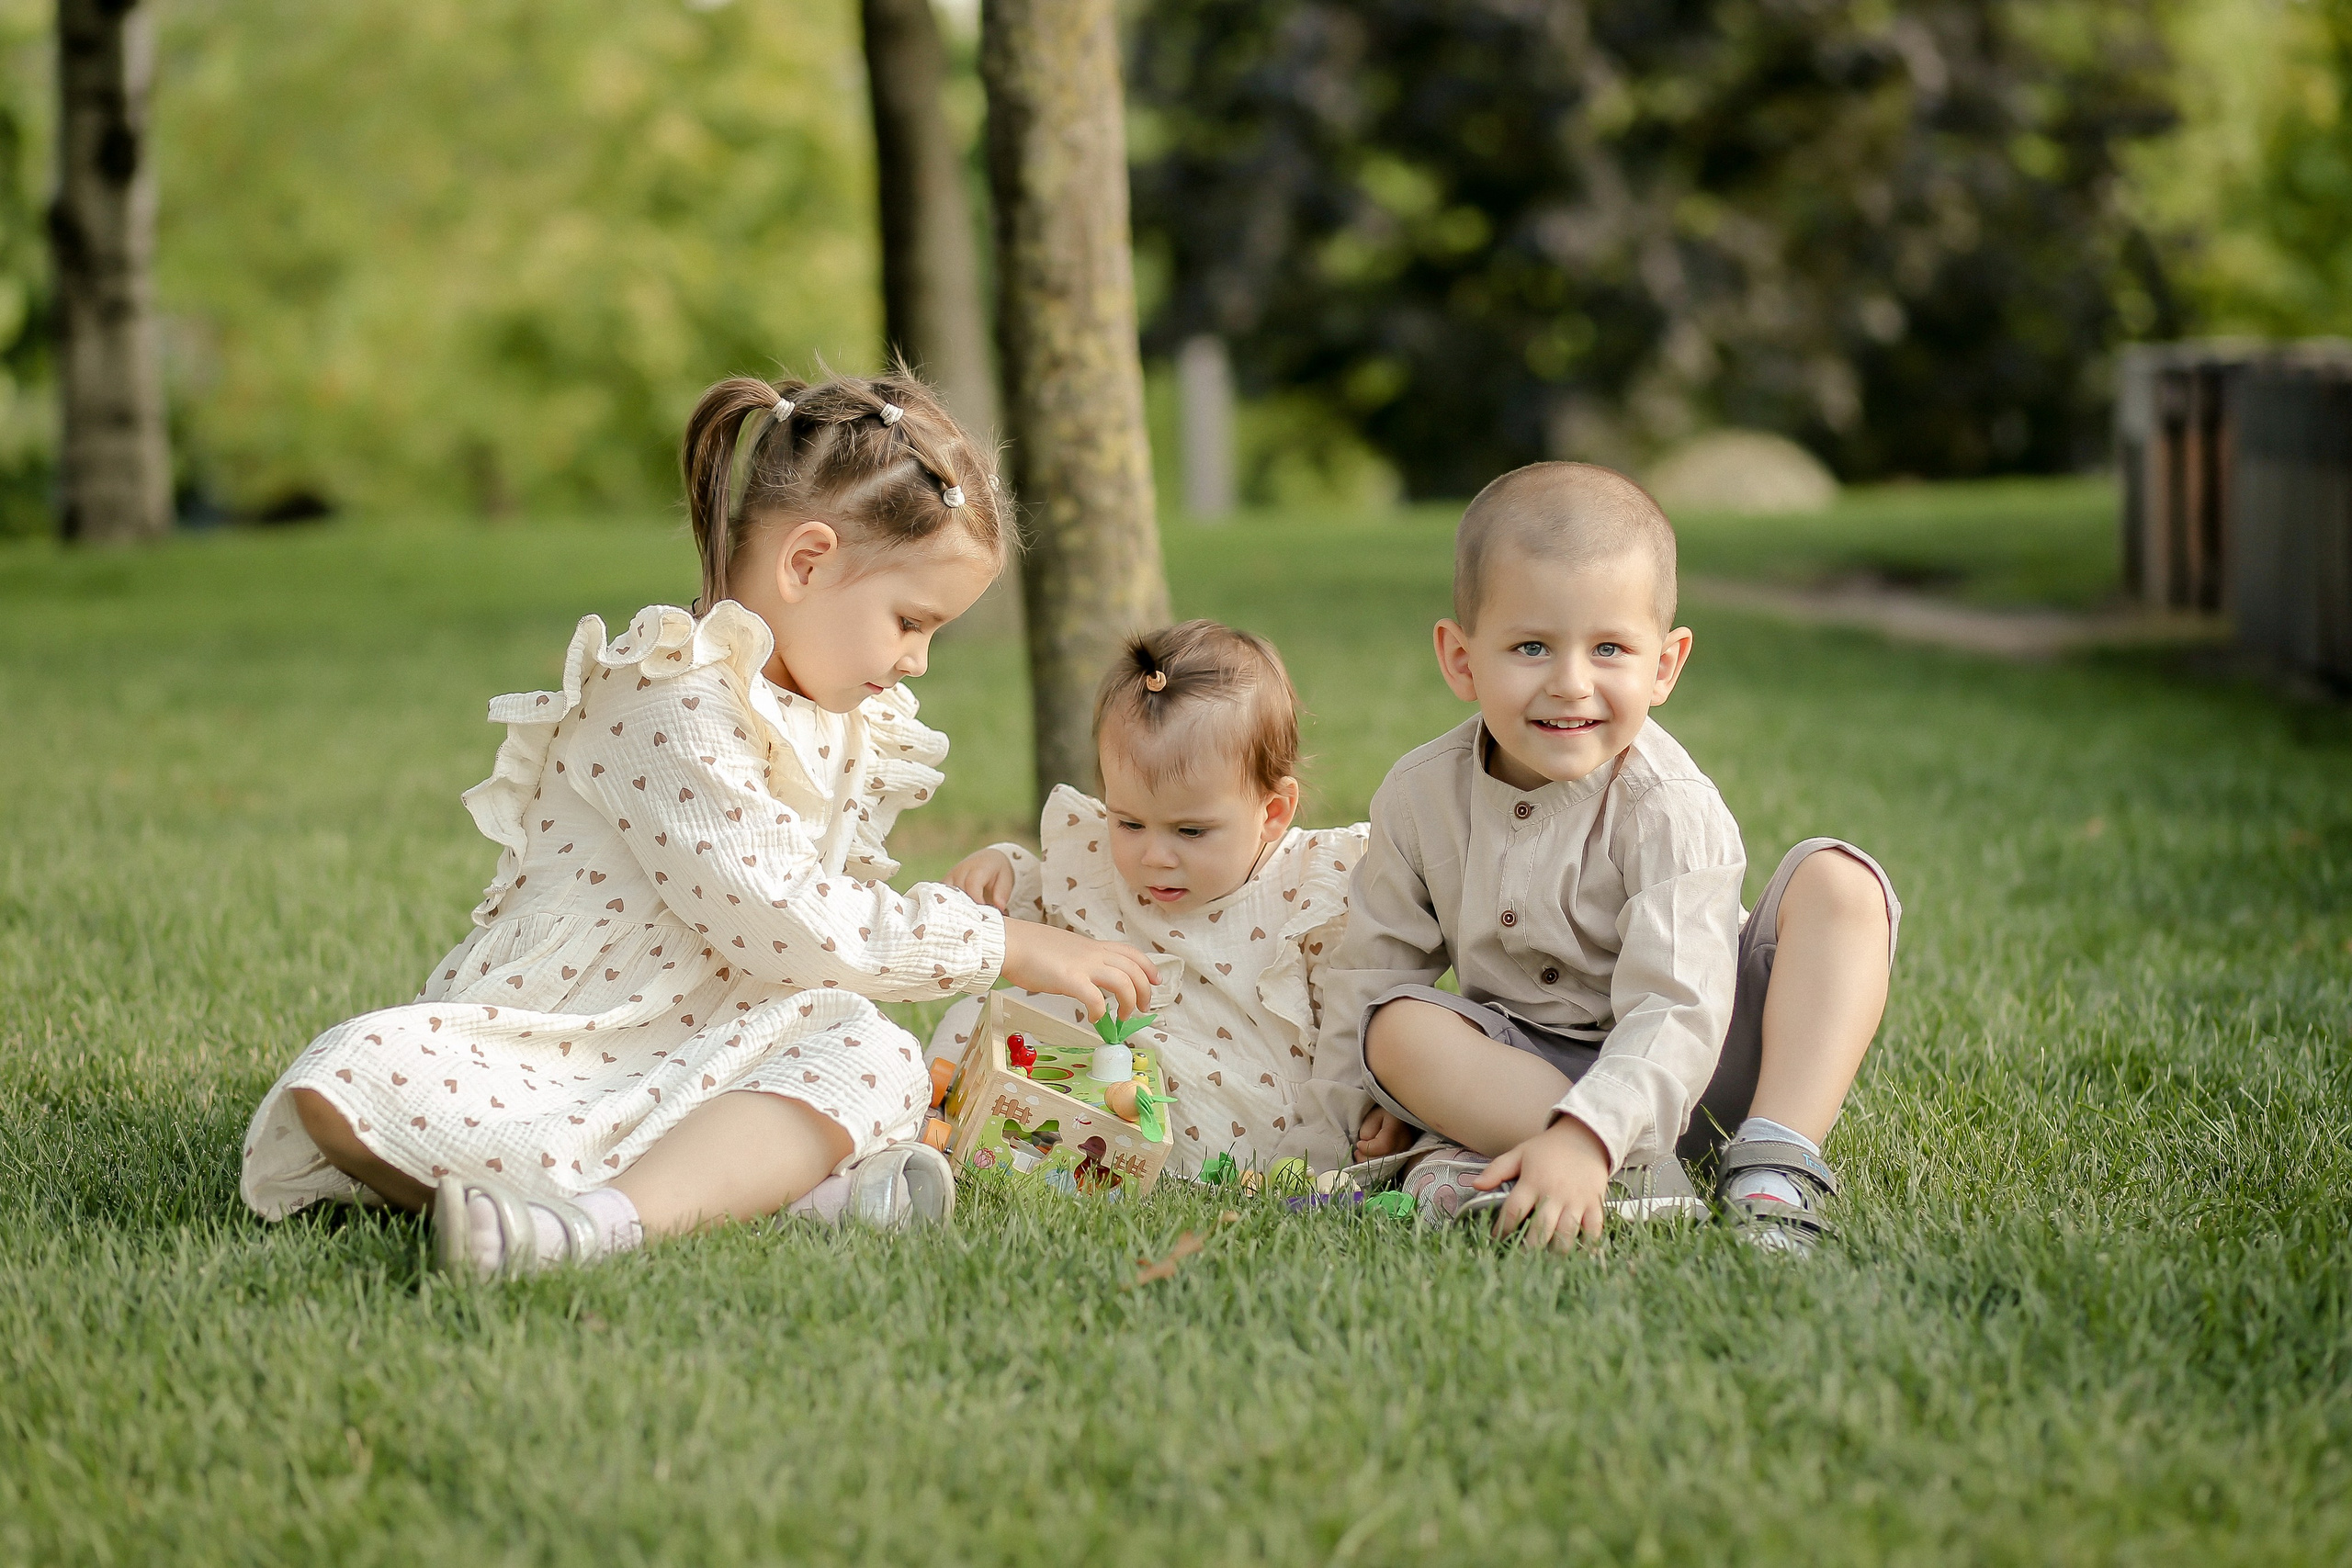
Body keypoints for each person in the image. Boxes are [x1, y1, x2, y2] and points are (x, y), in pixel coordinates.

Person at [239, 368, 1159, 1275]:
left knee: (873, 1054)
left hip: (716, 1052)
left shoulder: (836, 714)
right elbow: (789, 917)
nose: (917, 660)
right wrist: (1003, 944)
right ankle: (680, 1203)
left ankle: (608, 1215)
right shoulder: (669, 703)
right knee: (356, 1072)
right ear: (806, 563)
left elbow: (832, 930)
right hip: (577, 1046)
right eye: (910, 621)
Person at [1318, 462, 1900, 1254]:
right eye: (1531, 646)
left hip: (1710, 1064)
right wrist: (1357, 1116)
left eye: (1609, 649)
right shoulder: (1420, 794)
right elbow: (1373, 968)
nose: (1570, 683)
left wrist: (1590, 1131)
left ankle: (1771, 1162)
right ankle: (1613, 1174)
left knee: (1843, 882)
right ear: (1461, 658)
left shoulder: (1668, 805)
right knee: (1393, 1027)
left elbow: (1679, 1003)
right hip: (1526, 1069)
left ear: (1664, 665)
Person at [938, 620, 1368, 1175]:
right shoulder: (1097, 860)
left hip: (1240, 1109)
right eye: (1130, 822)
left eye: (1190, 832)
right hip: (1100, 1083)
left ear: (1273, 813)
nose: (1154, 857)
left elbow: (1351, 1015)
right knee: (973, 1018)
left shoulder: (1306, 889)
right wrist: (1002, 866)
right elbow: (1043, 898)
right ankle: (936, 1127)